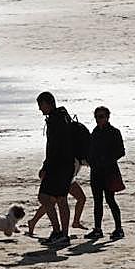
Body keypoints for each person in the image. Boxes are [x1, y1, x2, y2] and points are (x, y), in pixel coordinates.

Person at [35, 91, 75, 245]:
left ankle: (59, 233)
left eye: (41, 105)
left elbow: (54, 147)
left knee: (45, 197)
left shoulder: (56, 120)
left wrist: (46, 167)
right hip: (66, 164)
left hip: (59, 165)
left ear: (48, 103)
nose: (40, 109)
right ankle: (61, 234)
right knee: (60, 199)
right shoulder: (62, 116)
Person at [84, 106, 126, 241]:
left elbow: (121, 151)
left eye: (101, 116)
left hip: (109, 171)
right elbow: (90, 150)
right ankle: (97, 229)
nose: (98, 119)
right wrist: (90, 160)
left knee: (110, 199)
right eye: (96, 117)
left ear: (108, 117)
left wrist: (106, 160)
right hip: (96, 171)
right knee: (97, 201)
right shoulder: (95, 132)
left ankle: (119, 228)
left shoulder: (114, 132)